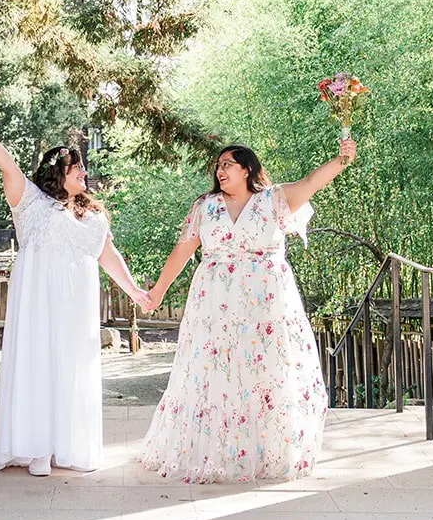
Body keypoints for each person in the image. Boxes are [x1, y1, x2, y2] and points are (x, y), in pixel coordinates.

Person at [137, 139, 355, 483]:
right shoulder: (205, 207)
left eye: (227, 164)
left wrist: (342, 159)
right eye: (218, 165)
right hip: (214, 304)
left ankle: (268, 452)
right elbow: (181, 251)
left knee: (265, 371)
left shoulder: (274, 200)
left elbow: (312, 182)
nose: (219, 170)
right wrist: (157, 292)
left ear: (247, 169)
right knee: (215, 372)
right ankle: (217, 452)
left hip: (266, 303)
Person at [0, 112, 150, 476]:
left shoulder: (92, 214)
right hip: (38, 299)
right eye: (78, 169)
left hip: (77, 303)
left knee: (72, 367)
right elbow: (8, 167)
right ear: (58, 173)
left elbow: (108, 255)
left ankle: (69, 444)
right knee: (39, 363)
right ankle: (37, 447)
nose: (85, 174)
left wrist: (135, 291)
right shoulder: (32, 201)